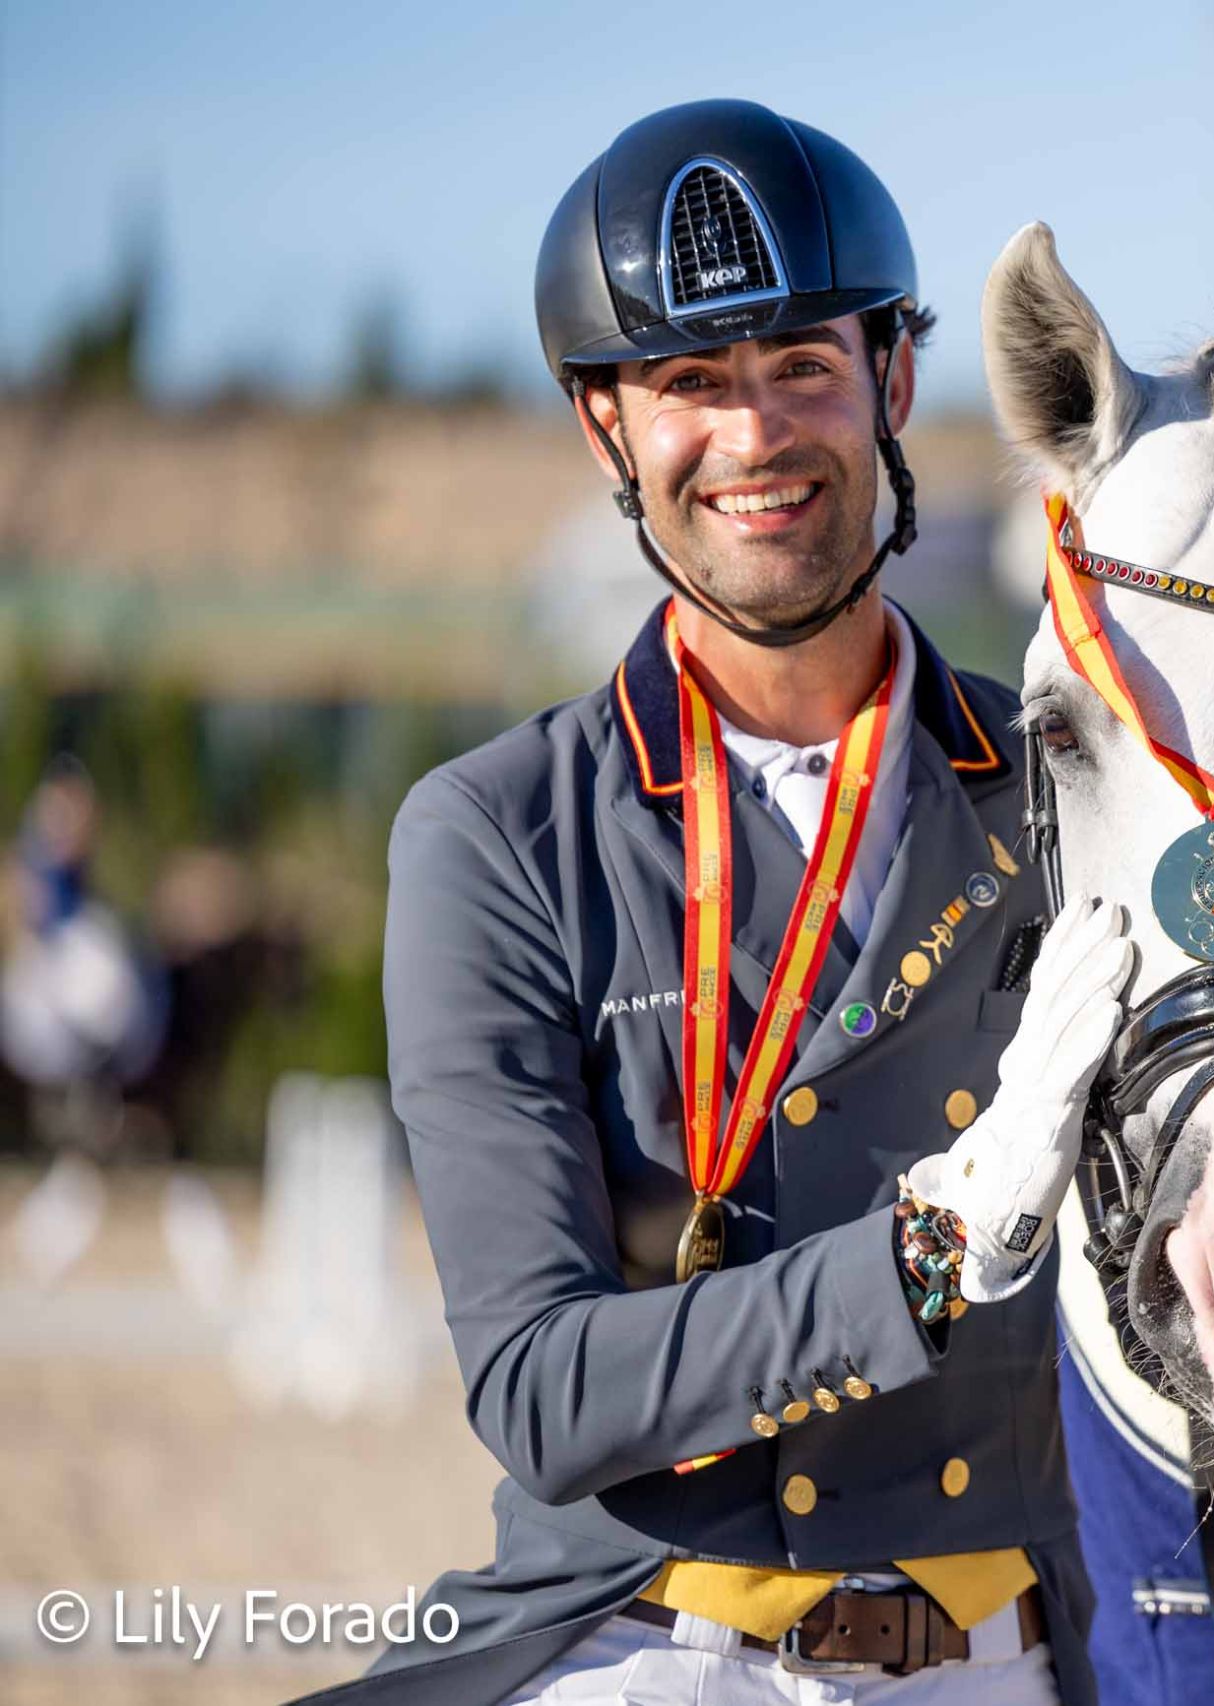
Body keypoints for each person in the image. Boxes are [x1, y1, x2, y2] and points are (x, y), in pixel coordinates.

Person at [291, 99, 1134, 1706]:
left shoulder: (1062, 787)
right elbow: (542, 1387)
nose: (755, 437)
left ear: (892, 378)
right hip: (642, 1644)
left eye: (803, 367)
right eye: (691, 385)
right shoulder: (495, 835)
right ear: (609, 426)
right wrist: (934, 1248)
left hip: (1008, 1652)